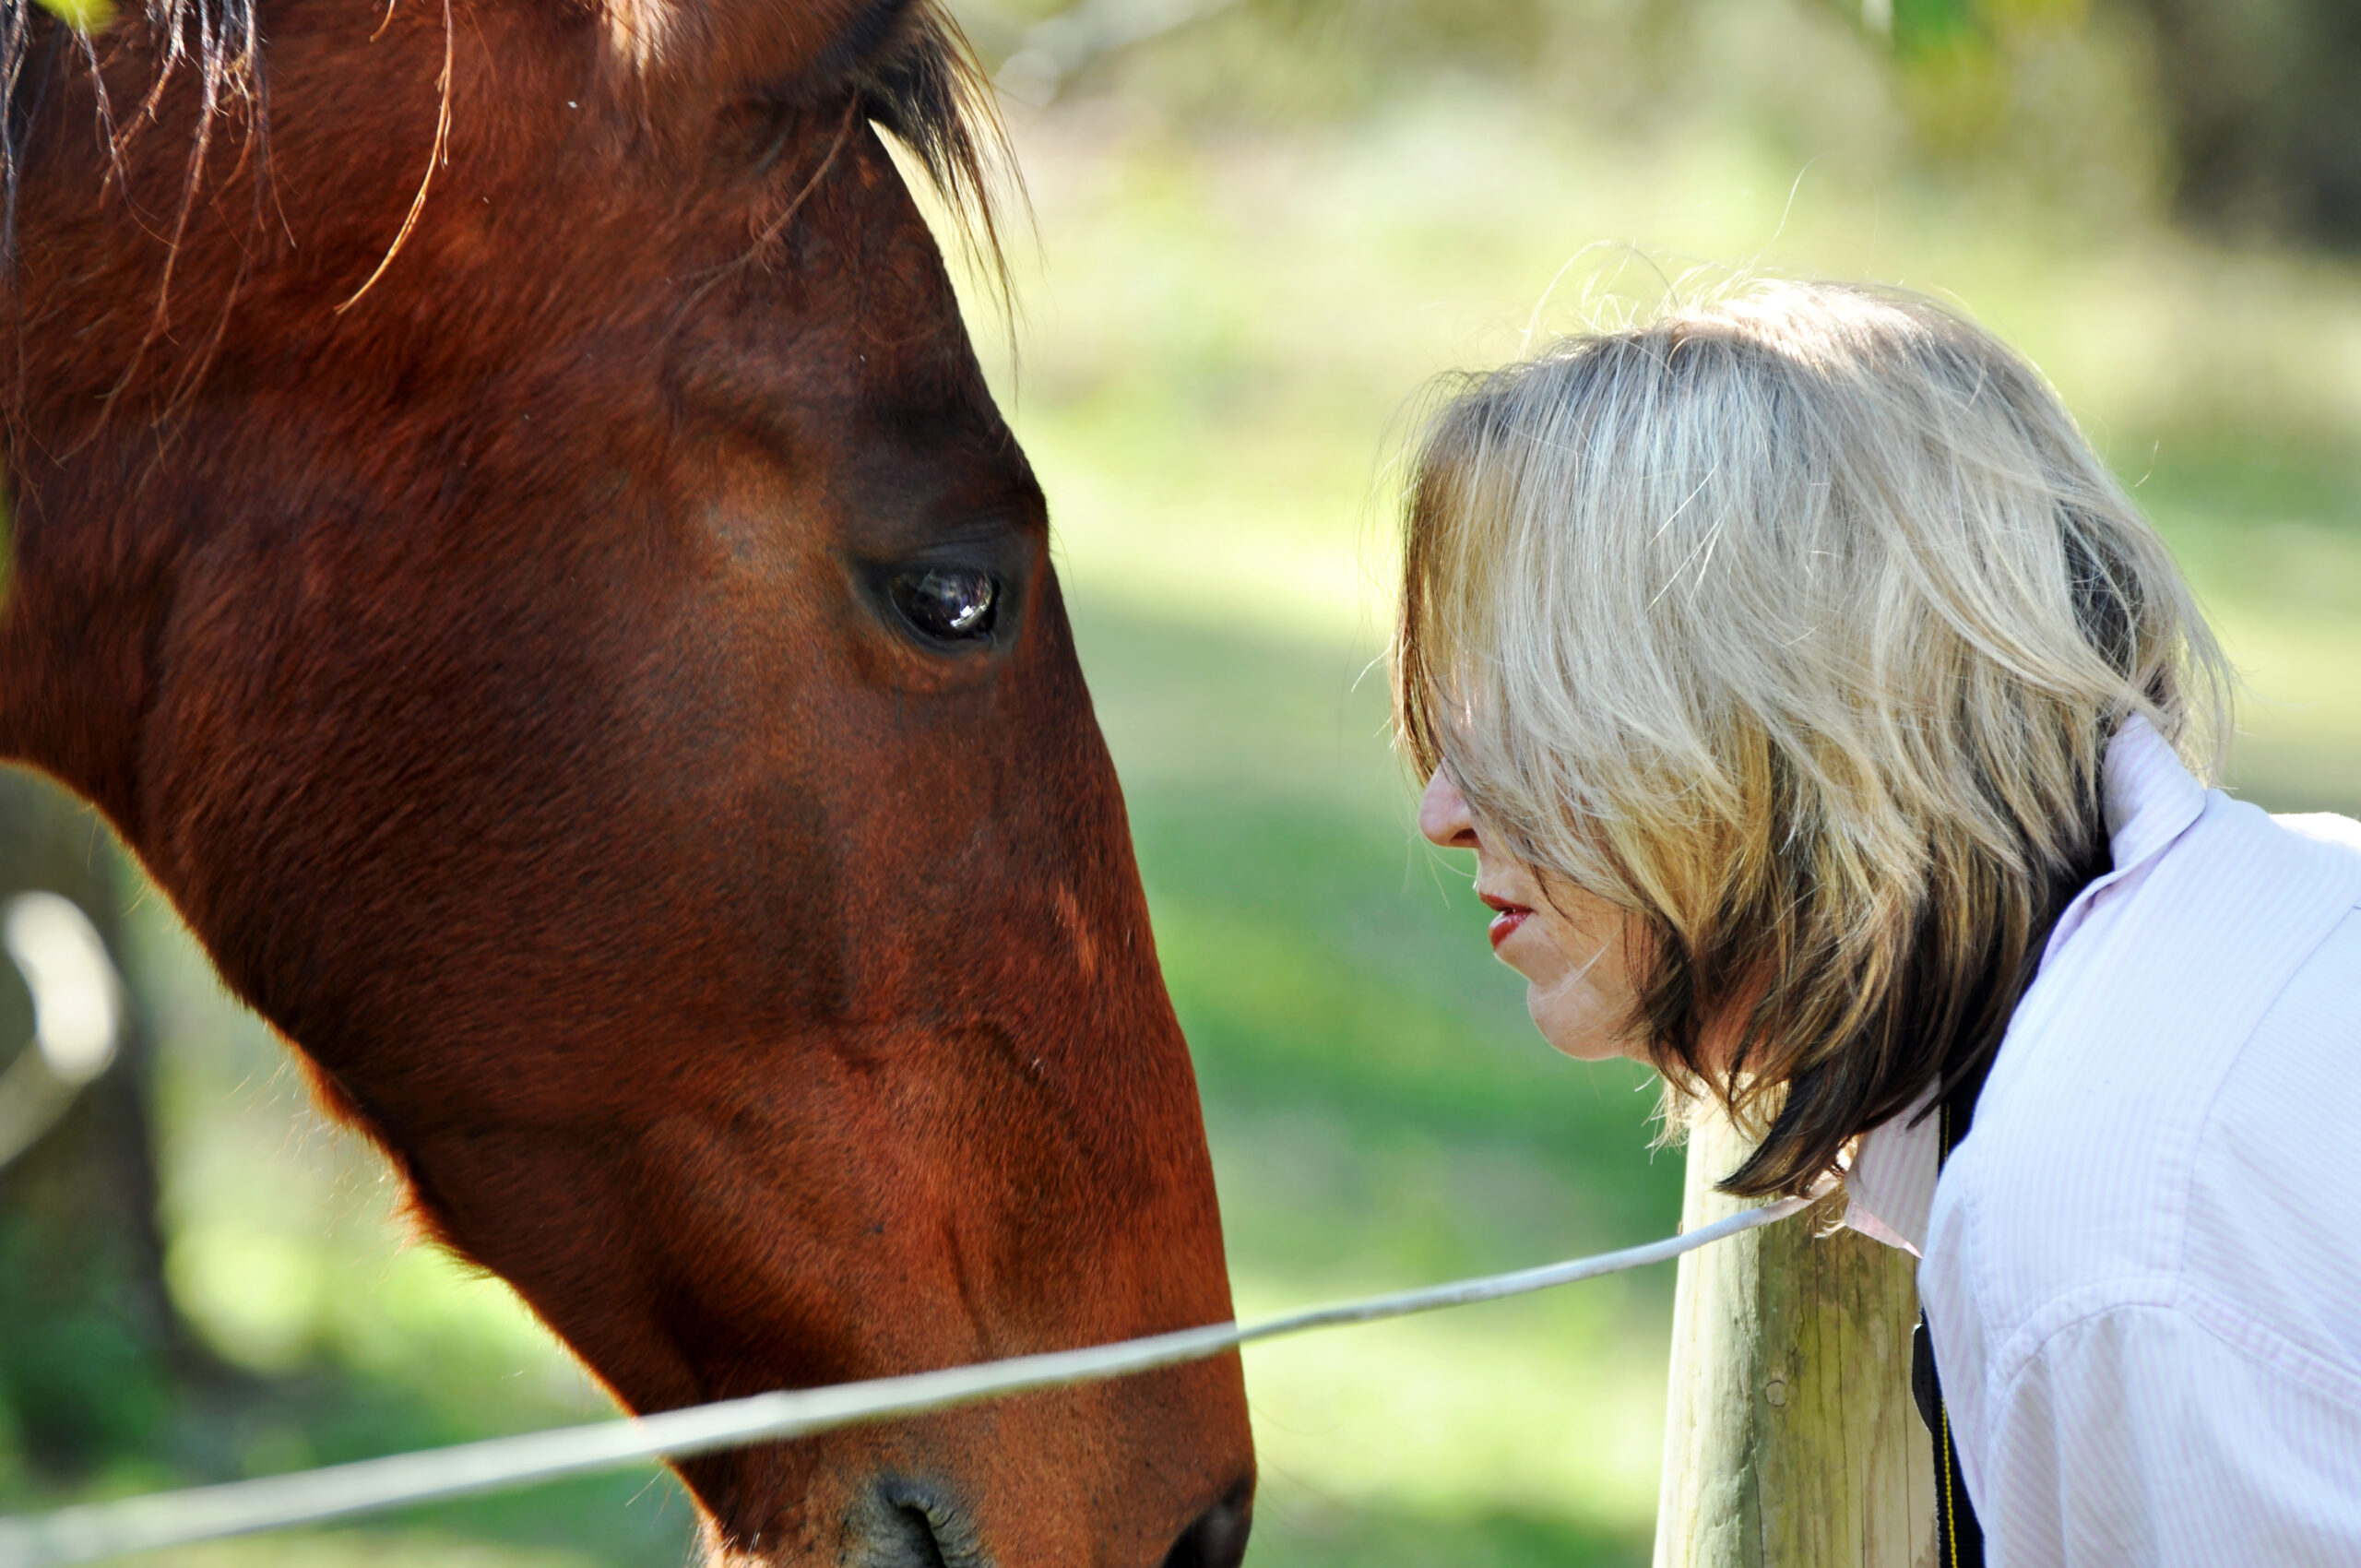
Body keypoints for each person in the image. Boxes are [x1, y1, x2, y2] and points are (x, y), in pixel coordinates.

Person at [1392, 279, 2361, 1566]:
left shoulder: (2102, 1243)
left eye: (1532, 713)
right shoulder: (2270, 921)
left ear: (1776, 737)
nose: (1442, 811)